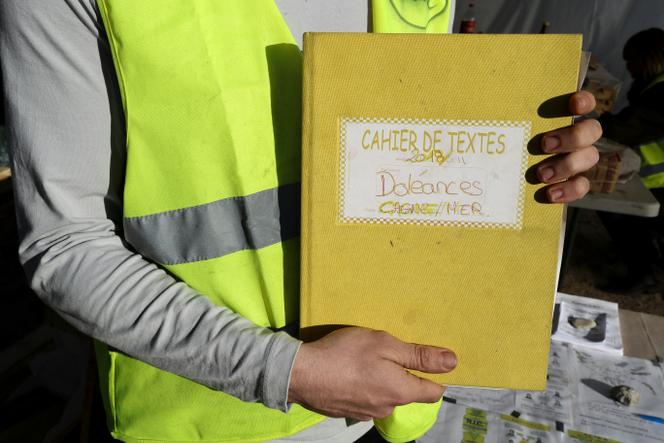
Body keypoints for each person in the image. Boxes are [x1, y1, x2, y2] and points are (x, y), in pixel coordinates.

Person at [0, 1, 600, 442]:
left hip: (394, 413)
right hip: (219, 421)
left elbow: (408, 143)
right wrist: (286, 371)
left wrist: (522, 162)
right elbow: (66, 245)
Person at [598, 27, 664, 294]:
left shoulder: (660, 95)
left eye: (632, 61)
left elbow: (621, 130)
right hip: (654, 179)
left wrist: (595, 117)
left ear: (648, 60)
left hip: (658, 185)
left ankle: (645, 273)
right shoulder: (653, 88)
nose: (629, 68)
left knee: (609, 202)